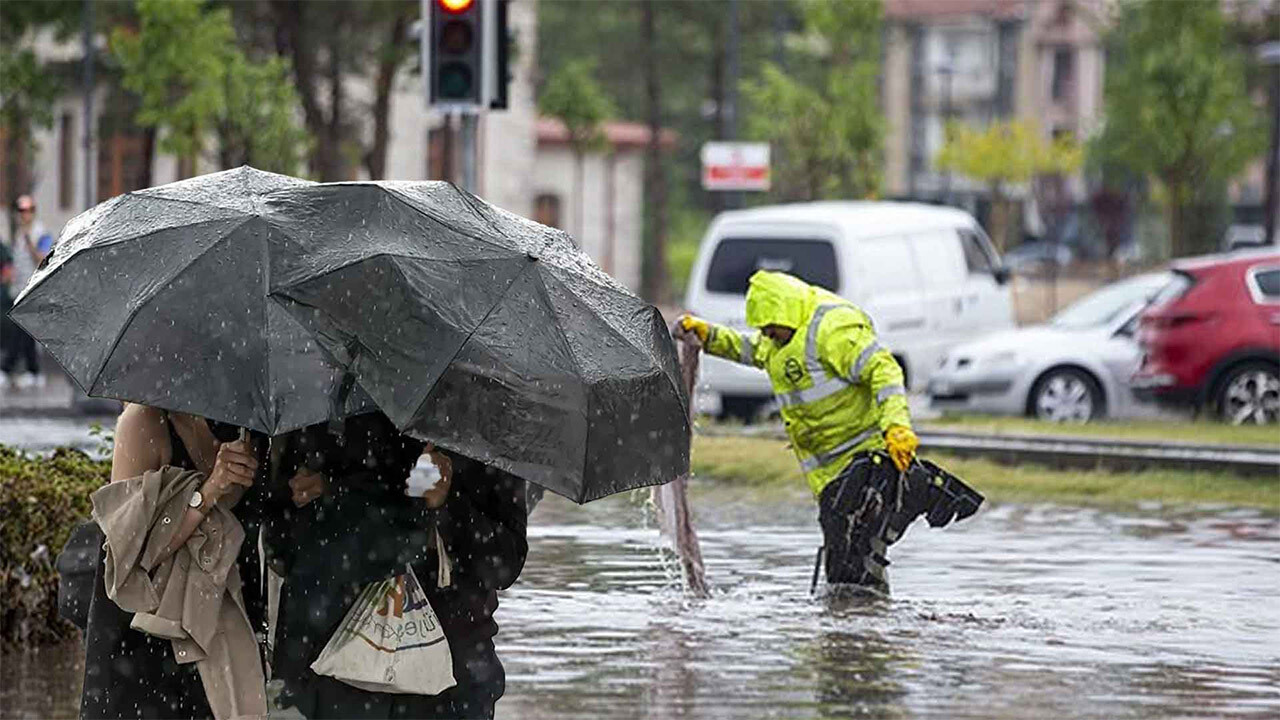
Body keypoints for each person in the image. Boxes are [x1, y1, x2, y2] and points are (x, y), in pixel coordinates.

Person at [267, 413, 528, 719]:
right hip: (330, 664)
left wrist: (446, 503)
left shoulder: (485, 428)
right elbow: (282, 544)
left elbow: (505, 564)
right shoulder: (321, 409)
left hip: (449, 674)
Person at [677, 270, 923, 593]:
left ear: (784, 313)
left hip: (865, 463)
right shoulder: (779, 339)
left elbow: (884, 369)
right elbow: (747, 349)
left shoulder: (832, 330)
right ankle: (858, 627)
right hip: (828, 476)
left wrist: (897, 427)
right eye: (763, 329)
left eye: (770, 328)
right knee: (851, 559)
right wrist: (709, 336)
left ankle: (856, 626)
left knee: (852, 556)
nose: (766, 334)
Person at [80, 404, 267, 719]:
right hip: (143, 633)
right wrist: (209, 491)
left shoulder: (245, 425)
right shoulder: (142, 422)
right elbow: (133, 553)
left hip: (214, 626)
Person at [2, 194, 53, 388]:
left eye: (29, 210)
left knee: (21, 329)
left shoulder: (40, 233)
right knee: (25, 331)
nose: (25, 214)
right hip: (20, 289)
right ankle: (32, 371)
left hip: (34, 290)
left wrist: (29, 241)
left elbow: (42, 258)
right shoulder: (19, 234)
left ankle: (12, 369)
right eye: (22, 210)